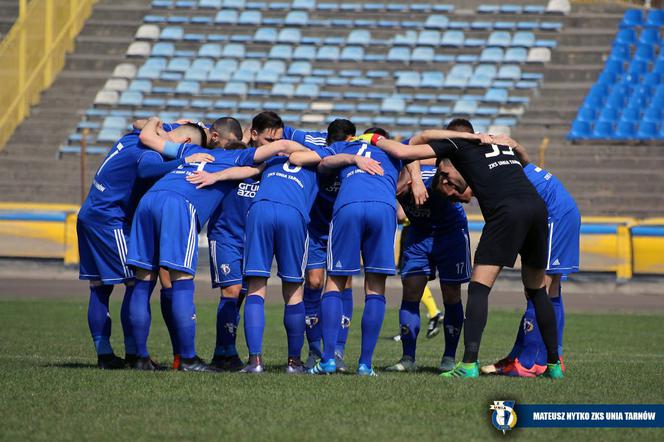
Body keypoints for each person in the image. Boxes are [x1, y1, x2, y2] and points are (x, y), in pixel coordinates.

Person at [362, 121, 564, 379]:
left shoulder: (459, 146)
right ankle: (554, 365)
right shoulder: (497, 144)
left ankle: (468, 364)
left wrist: (372, 139)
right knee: (537, 291)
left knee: (479, 289)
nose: (446, 181)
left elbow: (406, 150)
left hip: (506, 212)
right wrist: (516, 146)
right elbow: (524, 158)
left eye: (444, 173)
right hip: (536, 208)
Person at [125, 117, 303, 372]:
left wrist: (156, 120)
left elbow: (147, 137)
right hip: (179, 205)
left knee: (143, 282)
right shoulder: (239, 157)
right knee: (182, 283)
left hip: (148, 201)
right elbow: (280, 147)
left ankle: (139, 357)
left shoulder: (193, 150)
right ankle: (188, 359)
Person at [77, 120, 213, 369]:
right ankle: (135, 355)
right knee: (138, 282)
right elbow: (146, 171)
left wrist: (155, 121)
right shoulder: (151, 154)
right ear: (184, 144)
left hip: (89, 213)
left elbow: (143, 122)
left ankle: (105, 354)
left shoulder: (137, 135)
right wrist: (184, 160)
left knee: (99, 288)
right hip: (111, 219)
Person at [477, 134, 581, 377]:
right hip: (560, 211)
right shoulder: (509, 160)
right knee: (550, 289)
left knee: (539, 288)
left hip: (554, 215)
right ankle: (548, 357)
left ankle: (528, 362)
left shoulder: (488, 169)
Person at [205, 112, 284, 371]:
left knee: (242, 295)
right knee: (231, 291)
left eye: (277, 140)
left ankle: (227, 351)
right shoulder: (234, 154)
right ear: (253, 135)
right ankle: (222, 352)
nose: (272, 145)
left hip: (253, 241)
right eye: (267, 139)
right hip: (226, 235)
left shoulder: (274, 165)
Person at [387, 156, 472, 373]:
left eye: (399, 189)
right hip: (419, 235)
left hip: (451, 234)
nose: (396, 193)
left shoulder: (438, 183)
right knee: (411, 292)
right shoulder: (391, 183)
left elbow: (467, 192)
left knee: (451, 295)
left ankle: (449, 357)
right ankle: (408, 358)